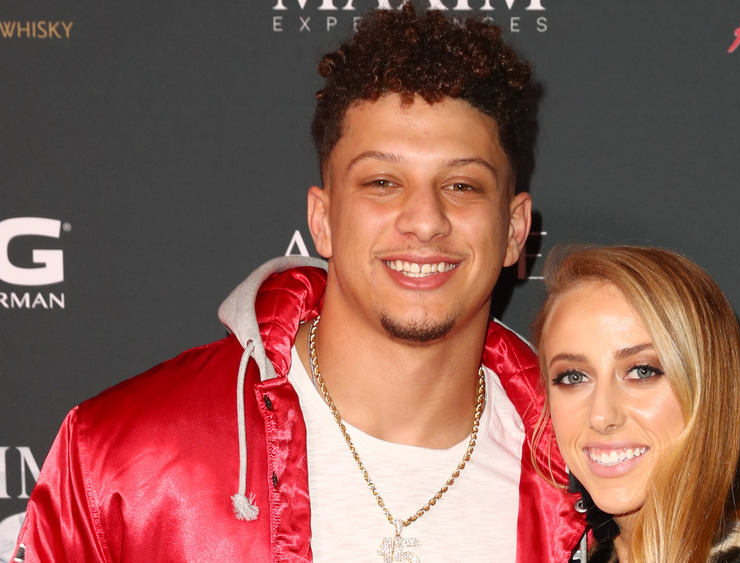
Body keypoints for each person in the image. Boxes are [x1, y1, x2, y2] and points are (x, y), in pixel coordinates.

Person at [12, 6, 585, 562]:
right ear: (322, 220)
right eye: (383, 182)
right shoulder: (123, 459)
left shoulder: (587, 483)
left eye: (462, 186)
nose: (425, 219)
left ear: (514, 231)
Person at [531, 246, 740, 563]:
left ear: (710, 389)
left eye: (642, 372)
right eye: (574, 377)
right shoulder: (604, 550)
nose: (601, 415)